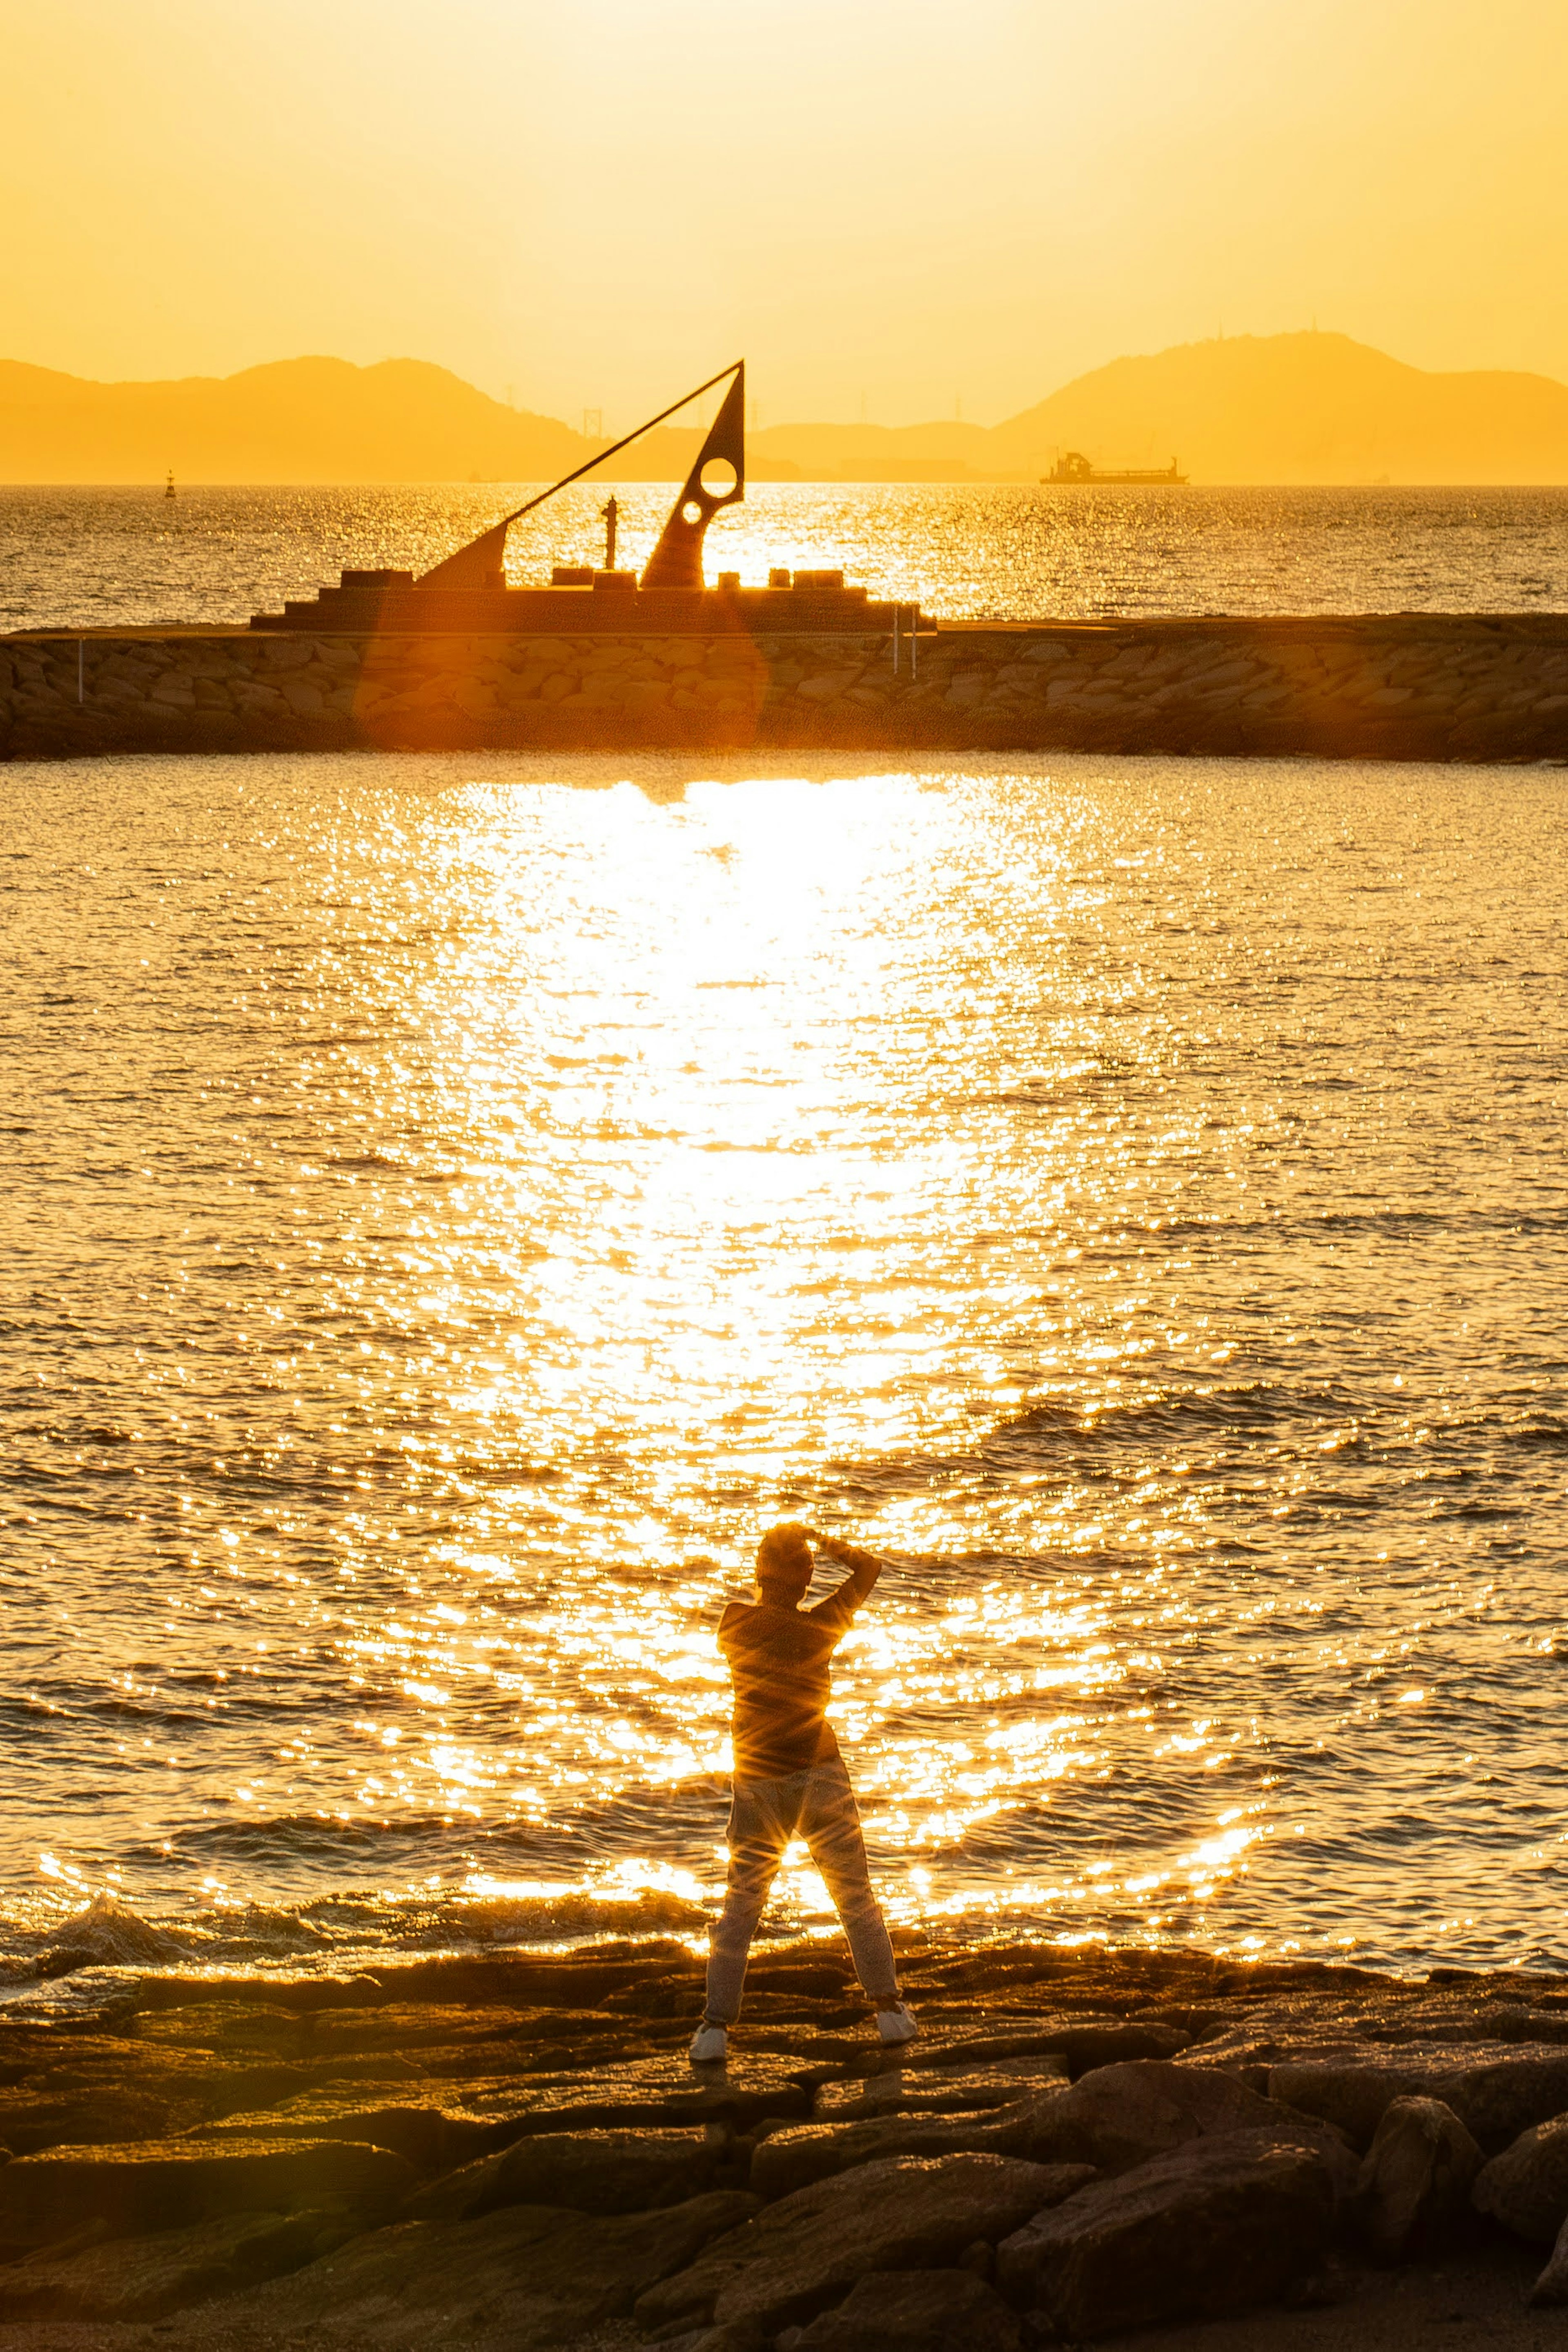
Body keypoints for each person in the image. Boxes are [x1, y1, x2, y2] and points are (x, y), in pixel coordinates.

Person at [690, 1521, 916, 2063]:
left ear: (758, 1573)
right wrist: (824, 1539)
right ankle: (889, 2013)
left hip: (760, 1780)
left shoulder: (735, 1623)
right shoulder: (823, 1628)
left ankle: (714, 2030)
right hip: (820, 1773)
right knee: (855, 1896)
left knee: (742, 1905)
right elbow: (871, 1568)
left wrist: (799, 1553)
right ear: (809, 1577)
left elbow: (768, 1615)